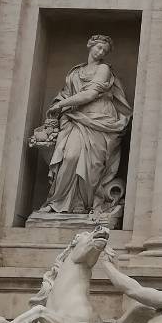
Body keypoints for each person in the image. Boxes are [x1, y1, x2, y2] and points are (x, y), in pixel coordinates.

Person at [36, 36, 131, 217]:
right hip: (75, 119)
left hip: (100, 119)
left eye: (105, 51)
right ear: (90, 46)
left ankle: (83, 204)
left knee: (92, 165)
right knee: (70, 156)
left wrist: (60, 105)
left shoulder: (104, 69)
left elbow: (90, 94)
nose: (101, 52)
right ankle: (57, 202)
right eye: (99, 48)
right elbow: (65, 94)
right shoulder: (76, 72)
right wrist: (59, 104)